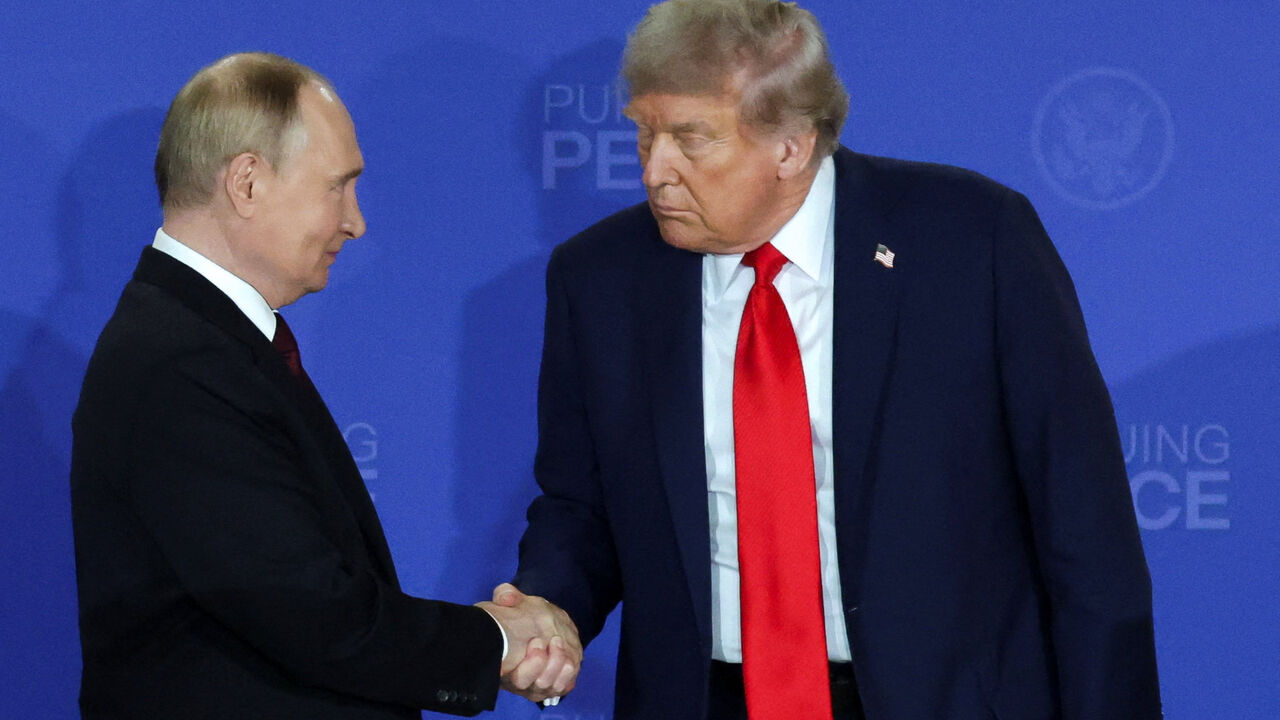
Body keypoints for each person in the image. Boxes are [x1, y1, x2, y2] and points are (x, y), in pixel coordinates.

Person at [501, 1, 1162, 718]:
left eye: (692, 140)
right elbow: (581, 505)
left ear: (791, 144)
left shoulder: (972, 244)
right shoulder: (600, 279)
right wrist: (548, 608)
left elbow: (1085, 531)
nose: (655, 170)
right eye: (644, 133)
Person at [69, 52, 577, 718]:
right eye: (337, 186)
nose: (355, 221)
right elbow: (308, 612)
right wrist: (495, 638)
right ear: (247, 183)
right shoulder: (179, 363)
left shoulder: (210, 341)